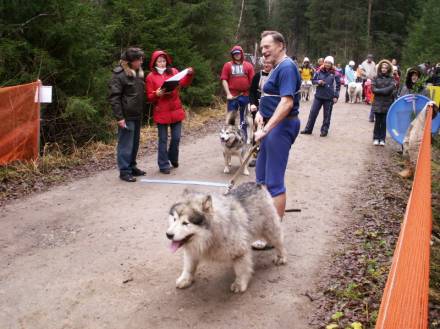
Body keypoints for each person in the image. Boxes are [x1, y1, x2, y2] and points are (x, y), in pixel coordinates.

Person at [251, 31, 301, 249]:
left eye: (267, 47)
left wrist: (267, 128)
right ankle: (264, 227)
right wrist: (261, 113)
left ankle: (273, 234)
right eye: (262, 48)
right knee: (260, 178)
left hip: (281, 127)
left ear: (281, 45)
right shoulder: (277, 68)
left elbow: (287, 103)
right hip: (271, 125)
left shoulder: (288, 67)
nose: (263, 51)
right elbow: (272, 97)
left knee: (273, 182)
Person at [146, 50, 194, 174]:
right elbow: (149, 97)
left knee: (176, 138)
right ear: (154, 62)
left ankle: (173, 158)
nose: (162, 63)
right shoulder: (150, 77)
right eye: (159, 61)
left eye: (164, 61)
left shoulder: (173, 72)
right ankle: (163, 165)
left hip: (176, 109)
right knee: (162, 139)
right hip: (161, 111)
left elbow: (184, 83)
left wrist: (189, 74)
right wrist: (156, 94)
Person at [109, 47, 147, 182]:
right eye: (139, 59)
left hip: (137, 114)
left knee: (135, 143)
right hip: (126, 116)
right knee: (125, 144)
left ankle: (132, 166)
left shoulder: (138, 72)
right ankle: (124, 171)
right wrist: (119, 118)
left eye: (142, 59)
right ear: (130, 61)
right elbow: (114, 98)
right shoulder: (119, 75)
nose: (141, 62)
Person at [220, 46, 255, 140]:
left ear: (242, 53)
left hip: (245, 95)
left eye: (238, 53)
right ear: (232, 54)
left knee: (245, 118)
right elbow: (224, 79)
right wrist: (228, 93)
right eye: (235, 53)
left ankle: (243, 137)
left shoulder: (248, 65)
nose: (237, 55)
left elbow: (253, 81)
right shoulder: (227, 65)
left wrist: (253, 96)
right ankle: (230, 137)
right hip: (233, 96)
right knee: (231, 118)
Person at [301, 56, 340, 137]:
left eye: (329, 63)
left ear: (332, 64)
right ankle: (308, 129)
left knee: (327, 115)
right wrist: (318, 82)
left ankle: (324, 131)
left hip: (329, 98)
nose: (327, 64)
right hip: (318, 96)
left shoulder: (335, 74)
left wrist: (336, 96)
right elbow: (313, 81)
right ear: (324, 63)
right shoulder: (319, 71)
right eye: (326, 62)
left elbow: (338, 86)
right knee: (313, 113)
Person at [249, 58, 273, 167]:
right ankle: (255, 156)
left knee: (270, 131)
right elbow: (252, 91)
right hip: (258, 106)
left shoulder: (275, 75)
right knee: (257, 130)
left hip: (271, 107)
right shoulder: (257, 76)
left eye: (269, 63)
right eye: (265, 63)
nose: (267, 65)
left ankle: (269, 155)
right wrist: (252, 103)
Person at [371, 59, 396, 146]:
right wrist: (386, 90)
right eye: (382, 67)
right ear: (380, 68)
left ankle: (382, 139)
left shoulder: (391, 79)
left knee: (384, 122)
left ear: (388, 69)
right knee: (377, 122)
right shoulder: (375, 78)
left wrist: (380, 90)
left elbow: (392, 89)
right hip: (377, 103)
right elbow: (373, 90)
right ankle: (375, 138)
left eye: (386, 68)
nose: (384, 69)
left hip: (387, 103)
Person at [361, 54, 377, 121]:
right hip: (365, 78)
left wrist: (375, 75)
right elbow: (361, 70)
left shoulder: (373, 63)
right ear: (367, 58)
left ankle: (369, 99)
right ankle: (364, 98)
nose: (370, 59)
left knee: (370, 90)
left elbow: (375, 70)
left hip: (372, 78)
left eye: (371, 58)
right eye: (369, 58)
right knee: (364, 89)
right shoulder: (363, 63)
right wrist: (365, 74)